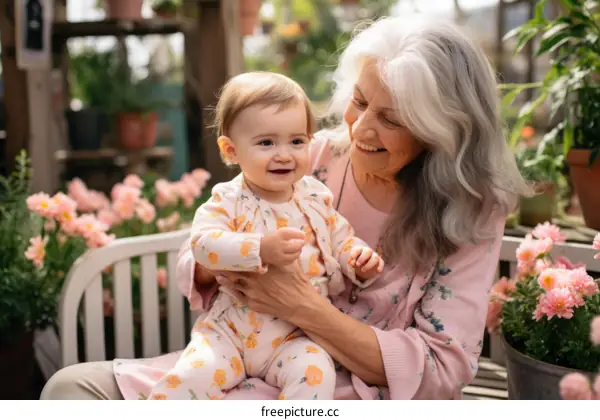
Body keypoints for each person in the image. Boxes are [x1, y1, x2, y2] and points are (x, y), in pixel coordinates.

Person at [41, 14, 530, 400]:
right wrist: (225, 260)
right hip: (241, 354)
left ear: (441, 131)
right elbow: (210, 239)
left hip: (337, 390)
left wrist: (301, 305)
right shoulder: (306, 157)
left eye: (391, 119)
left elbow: (443, 370)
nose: (359, 131)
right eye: (359, 102)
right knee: (68, 390)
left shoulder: (472, 209)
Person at [146, 72, 383, 400]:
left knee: (316, 377)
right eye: (266, 143)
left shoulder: (314, 196)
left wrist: (357, 258)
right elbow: (203, 245)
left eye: (297, 141)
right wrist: (259, 249)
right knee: (188, 379)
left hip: (293, 338)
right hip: (228, 332)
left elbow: (340, 237)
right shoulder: (228, 200)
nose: (284, 154)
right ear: (231, 150)